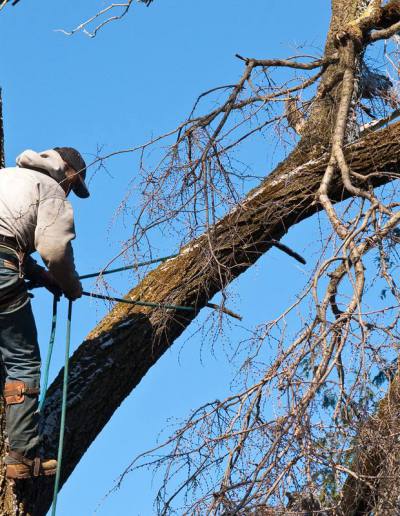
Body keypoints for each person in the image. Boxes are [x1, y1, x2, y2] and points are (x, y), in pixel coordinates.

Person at [0, 147, 89, 479]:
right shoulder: (50, 189)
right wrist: (70, 284)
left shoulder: (8, 177)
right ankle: (21, 455)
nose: (70, 192)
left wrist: (39, 277)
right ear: (64, 171)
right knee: (22, 361)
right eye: (73, 184)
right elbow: (55, 250)